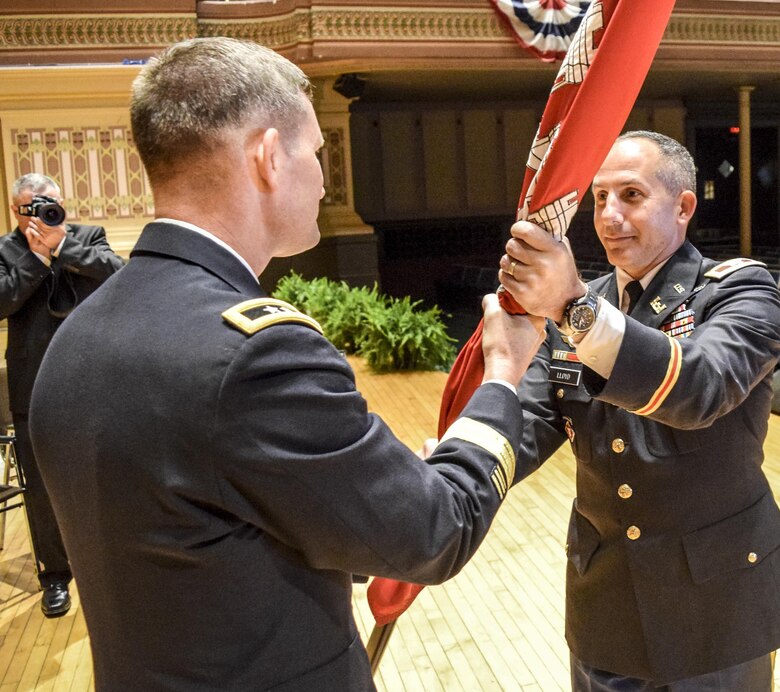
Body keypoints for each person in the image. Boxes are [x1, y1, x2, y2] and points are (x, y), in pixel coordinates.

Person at [28, 37, 545, 690]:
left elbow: (202, 527)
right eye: (317, 153)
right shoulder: (255, 353)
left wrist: (361, 490)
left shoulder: (78, 336)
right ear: (269, 157)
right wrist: (501, 373)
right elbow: (433, 530)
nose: (326, 179)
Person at [499, 130, 780, 690]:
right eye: (599, 198)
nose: (608, 216)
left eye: (630, 195)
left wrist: (570, 307)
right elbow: (530, 421)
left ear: (683, 207)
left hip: (714, 604)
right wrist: (457, 465)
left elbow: (700, 387)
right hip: (604, 596)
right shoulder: (586, 299)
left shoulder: (741, 290)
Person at [1, 173, 124, 617]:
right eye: (32, 207)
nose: (42, 212)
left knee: (102, 475)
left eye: (50, 202)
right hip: (31, 385)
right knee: (40, 487)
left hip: (89, 379)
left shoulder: (88, 237)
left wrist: (61, 247)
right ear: (17, 211)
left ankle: (108, 563)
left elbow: (118, 275)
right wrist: (34, 258)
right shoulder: (4, 251)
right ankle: (55, 575)